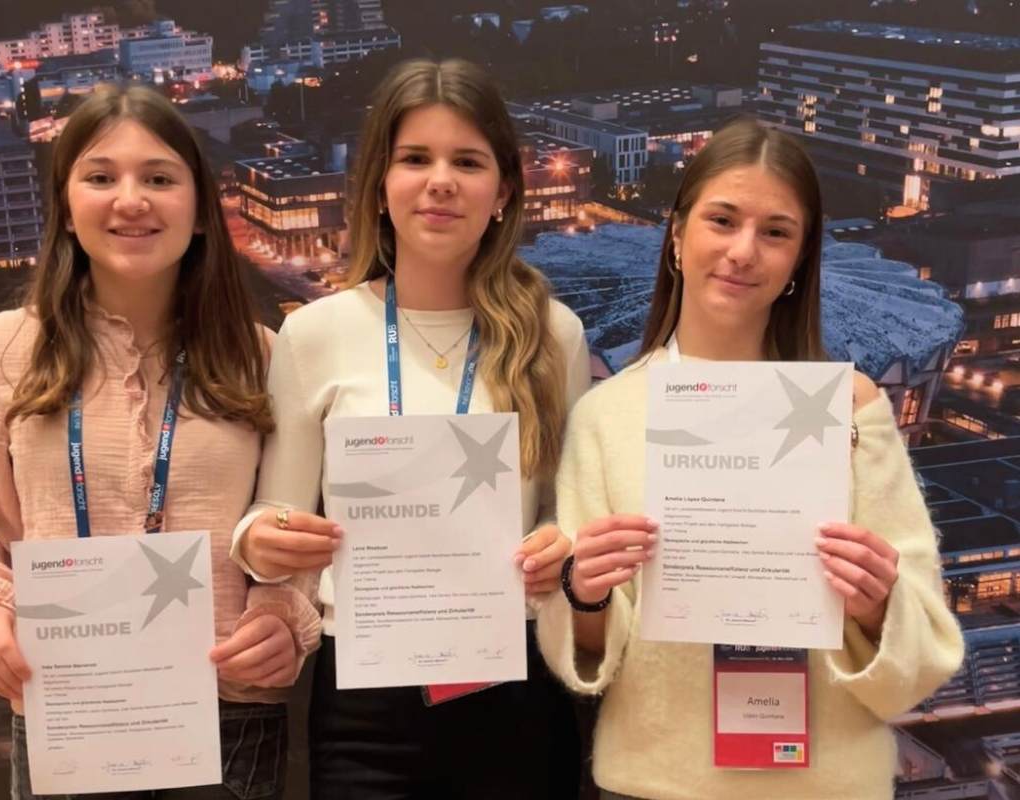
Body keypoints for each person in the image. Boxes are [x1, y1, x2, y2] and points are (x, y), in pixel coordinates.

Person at [536, 117, 965, 800]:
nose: (743, 251)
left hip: (825, 785)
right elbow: (592, 658)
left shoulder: (849, 409)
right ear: (677, 236)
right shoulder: (607, 415)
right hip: (656, 783)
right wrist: (583, 591)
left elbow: (927, 647)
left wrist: (879, 606)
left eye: (775, 232)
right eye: (723, 220)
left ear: (799, 260)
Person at [0, 84, 320, 800]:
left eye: (159, 178)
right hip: (64, 706)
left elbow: (294, 524)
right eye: (100, 176)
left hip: (227, 714)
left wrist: (284, 618)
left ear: (200, 210)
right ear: (65, 206)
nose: (131, 200)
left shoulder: (262, 356)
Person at [230, 58, 591, 799]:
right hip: (367, 702)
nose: (441, 182)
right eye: (416, 159)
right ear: (379, 186)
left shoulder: (554, 335)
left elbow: (570, 510)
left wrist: (563, 542)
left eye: (468, 162)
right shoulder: (316, 334)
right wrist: (259, 541)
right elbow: (275, 511)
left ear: (504, 191)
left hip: (516, 683)